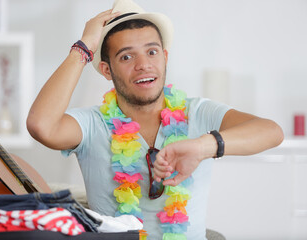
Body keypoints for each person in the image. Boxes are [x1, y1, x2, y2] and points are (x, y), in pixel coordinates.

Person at [26, 0, 284, 239]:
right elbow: (41, 125)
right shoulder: (91, 124)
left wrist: (201, 146)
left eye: (152, 52)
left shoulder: (199, 112)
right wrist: (84, 47)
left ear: (165, 57)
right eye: (126, 57)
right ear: (107, 70)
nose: (143, 65)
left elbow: (271, 131)